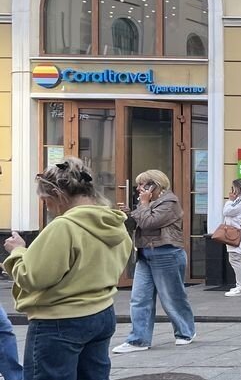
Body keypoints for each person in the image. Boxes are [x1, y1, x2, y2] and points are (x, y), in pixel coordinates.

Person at [3, 157, 130, 380]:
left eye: (45, 200)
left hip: (60, 319)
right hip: (102, 312)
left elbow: (33, 277)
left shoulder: (63, 227)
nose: (47, 207)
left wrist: (18, 252)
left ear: (58, 195)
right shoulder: (113, 222)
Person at [112, 170, 195, 354]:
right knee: (139, 298)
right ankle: (138, 340)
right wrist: (128, 215)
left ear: (155, 185)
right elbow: (138, 225)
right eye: (139, 185)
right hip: (145, 254)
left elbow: (149, 222)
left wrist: (142, 205)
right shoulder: (147, 203)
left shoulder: (170, 202)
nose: (139, 188)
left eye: (143, 184)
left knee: (172, 297)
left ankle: (185, 332)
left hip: (167, 253)